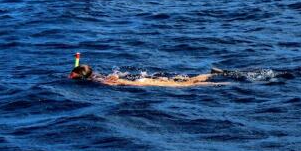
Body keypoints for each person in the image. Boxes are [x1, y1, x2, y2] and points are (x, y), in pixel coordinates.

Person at [69, 63, 227, 87]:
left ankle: (213, 79)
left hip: (141, 82)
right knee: (182, 81)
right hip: (140, 79)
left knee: (184, 85)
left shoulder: (100, 81)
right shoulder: (96, 76)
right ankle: (210, 74)